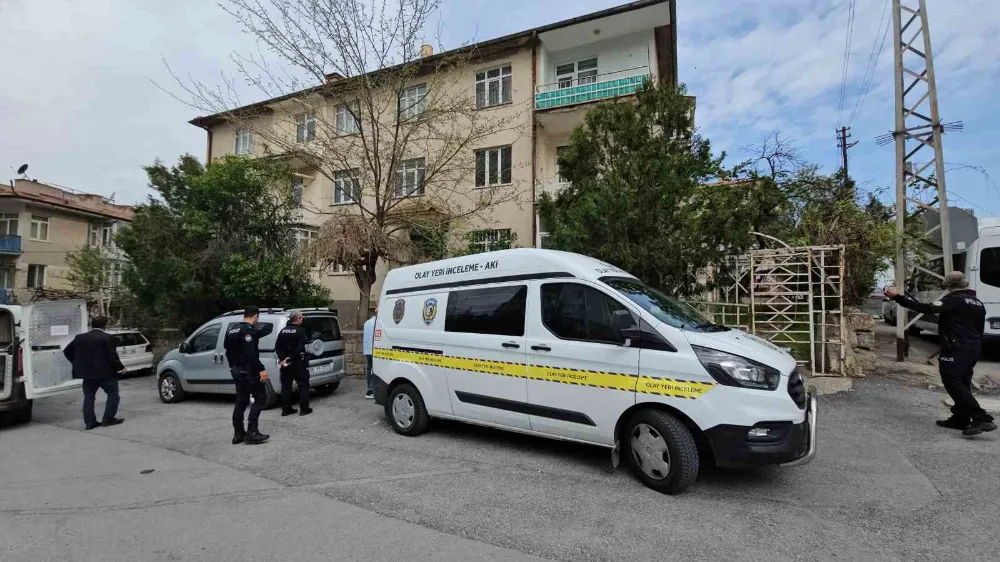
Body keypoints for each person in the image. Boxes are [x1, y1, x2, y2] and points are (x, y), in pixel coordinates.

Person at [886, 271, 996, 436]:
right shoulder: (977, 302)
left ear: (946, 285)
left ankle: (982, 418)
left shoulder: (953, 300)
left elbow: (926, 308)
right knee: (963, 382)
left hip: (957, 347)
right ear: (965, 283)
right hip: (973, 347)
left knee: (952, 381)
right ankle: (960, 418)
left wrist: (898, 297)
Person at [63, 315, 127, 430]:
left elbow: (67, 351)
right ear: (105, 325)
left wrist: (78, 363)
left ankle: (90, 423)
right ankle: (108, 419)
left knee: (89, 397)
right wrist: (121, 368)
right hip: (106, 374)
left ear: (92, 324)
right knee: (113, 394)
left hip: (88, 375)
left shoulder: (80, 338)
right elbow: (112, 357)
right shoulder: (108, 338)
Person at [223, 306, 270, 445]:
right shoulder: (248, 331)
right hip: (248, 371)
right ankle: (252, 432)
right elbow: (251, 354)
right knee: (260, 398)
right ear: (256, 316)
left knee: (241, 401)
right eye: (257, 318)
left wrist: (233, 366)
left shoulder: (232, 330)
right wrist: (261, 369)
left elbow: (227, 350)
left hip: (236, 370)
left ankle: (238, 434)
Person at [276, 310, 312, 417]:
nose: (303, 319)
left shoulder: (283, 331)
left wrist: (283, 359)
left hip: (285, 363)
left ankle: (286, 409)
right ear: (298, 319)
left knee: (286, 387)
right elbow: (300, 347)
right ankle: (304, 409)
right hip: (297, 362)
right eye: (301, 317)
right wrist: (290, 358)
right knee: (303, 385)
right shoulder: (301, 331)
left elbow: (277, 347)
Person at [363, 306, 377, 399]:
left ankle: (369, 388)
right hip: (374, 350)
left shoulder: (366, 323)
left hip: (367, 350)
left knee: (369, 369)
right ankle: (371, 391)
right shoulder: (377, 323)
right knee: (374, 370)